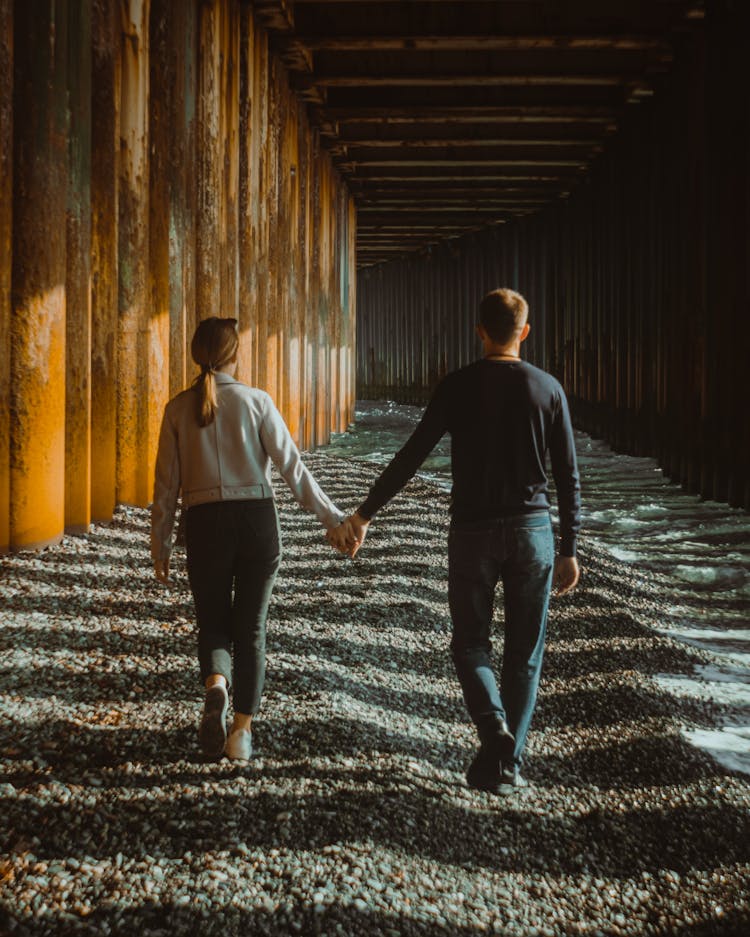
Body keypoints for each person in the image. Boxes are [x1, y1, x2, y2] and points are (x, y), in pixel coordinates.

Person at [334, 288, 581, 794]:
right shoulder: (548, 389)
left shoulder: (458, 386)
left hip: (471, 532)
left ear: (480, 331)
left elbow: (412, 455)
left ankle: (494, 733)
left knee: (470, 643)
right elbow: (569, 477)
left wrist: (364, 513)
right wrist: (570, 547)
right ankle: (507, 760)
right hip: (533, 532)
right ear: (525, 332)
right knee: (525, 654)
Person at [151, 317, 353, 761]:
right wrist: (333, 520)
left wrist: (160, 542)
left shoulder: (177, 408)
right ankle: (241, 732)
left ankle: (217, 686)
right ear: (234, 355)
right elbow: (292, 469)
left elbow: (166, 486)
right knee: (252, 628)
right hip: (257, 521)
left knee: (213, 621)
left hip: (203, 523)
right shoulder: (256, 401)